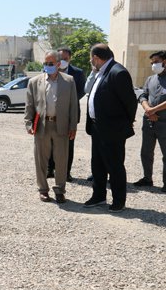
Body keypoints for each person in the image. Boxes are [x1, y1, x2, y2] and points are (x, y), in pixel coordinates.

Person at [84, 44, 137, 212]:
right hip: (97, 127)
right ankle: (99, 196)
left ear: (97, 58)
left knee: (114, 166)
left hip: (113, 130)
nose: (91, 61)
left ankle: (118, 200)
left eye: (91, 58)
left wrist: (123, 124)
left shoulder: (118, 72)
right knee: (97, 164)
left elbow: (130, 102)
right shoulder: (101, 72)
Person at [24, 51, 78, 203]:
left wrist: (73, 126)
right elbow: (29, 105)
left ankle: (60, 190)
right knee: (41, 160)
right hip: (42, 126)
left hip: (61, 126)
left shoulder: (69, 81)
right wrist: (28, 123)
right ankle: (43, 190)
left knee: (61, 160)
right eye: (45, 63)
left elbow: (73, 106)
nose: (47, 66)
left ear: (58, 64)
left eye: (51, 63)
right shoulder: (34, 82)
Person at [47, 48, 86, 181]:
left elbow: (81, 91)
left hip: (69, 114)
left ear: (70, 58)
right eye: (60, 58)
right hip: (51, 114)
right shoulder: (50, 69)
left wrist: (66, 101)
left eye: (65, 59)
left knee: (68, 145)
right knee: (50, 143)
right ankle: (49, 169)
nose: (62, 61)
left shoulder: (78, 73)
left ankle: (66, 172)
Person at [133, 51, 166, 191]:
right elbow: (143, 95)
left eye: (156, 62)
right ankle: (147, 178)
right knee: (146, 152)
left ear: (165, 62)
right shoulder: (150, 79)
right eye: (152, 62)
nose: (153, 65)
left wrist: (153, 110)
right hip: (149, 122)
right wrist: (148, 110)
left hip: (164, 123)